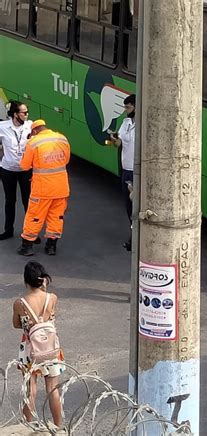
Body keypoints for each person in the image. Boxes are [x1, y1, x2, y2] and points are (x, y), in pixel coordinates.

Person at [12, 261, 64, 428]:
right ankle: (58, 426)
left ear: (26, 281)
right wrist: (45, 289)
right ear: (43, 280)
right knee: (53, 388)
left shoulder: (20, 303)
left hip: (30, 348)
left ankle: (27, 426)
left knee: (31, 388)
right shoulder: (52, 298)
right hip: (51, 348)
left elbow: (16, 324)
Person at [17, 120, 71, 256]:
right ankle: (51, 246)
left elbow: (24, 166)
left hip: (42, 189)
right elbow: (66, 160)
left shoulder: (33, 143)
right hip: (61, 187)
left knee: (35, 216)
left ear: (34, 131)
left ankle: (27, 246)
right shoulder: (62, 138)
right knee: (56, 217)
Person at [0, 101, 33, 240]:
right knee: (9, 201)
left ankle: (30, 232)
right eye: (24, 113)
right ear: (15, 114)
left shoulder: (30, 126)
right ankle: (8, 230)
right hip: (8, 170)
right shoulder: (3, 127)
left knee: (28, 202)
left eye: (27, 112)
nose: (27, 115)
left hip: (26, 170)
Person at [109, 94, 135, 251]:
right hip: (126, 170)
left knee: (136, 205)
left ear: (136, 107)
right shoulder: (125, 123)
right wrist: (114, 140)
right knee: (128, 206)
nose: (126, 110)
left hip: (137, 171)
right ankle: (134, 234)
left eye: (128, 107)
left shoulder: (145, 124)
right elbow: (119, 144)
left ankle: (134, 239)